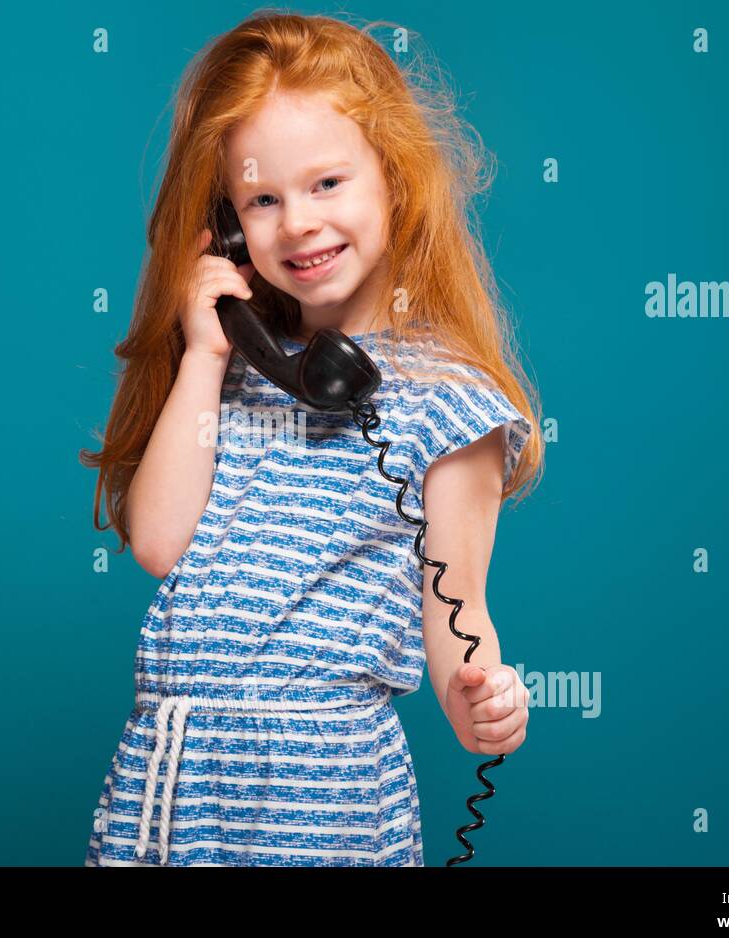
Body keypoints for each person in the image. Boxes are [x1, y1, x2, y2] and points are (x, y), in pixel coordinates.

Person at [80, 11, 543, 866]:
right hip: (170, 772)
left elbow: (458, 608)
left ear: (395, 181)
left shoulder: (449, 404)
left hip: (316, 786)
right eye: (262, 199)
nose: (297, 222)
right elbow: (155, 542)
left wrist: (477, 698)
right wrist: (208, 355)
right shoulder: (234, 373)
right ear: (227, 228)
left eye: (327, 184)